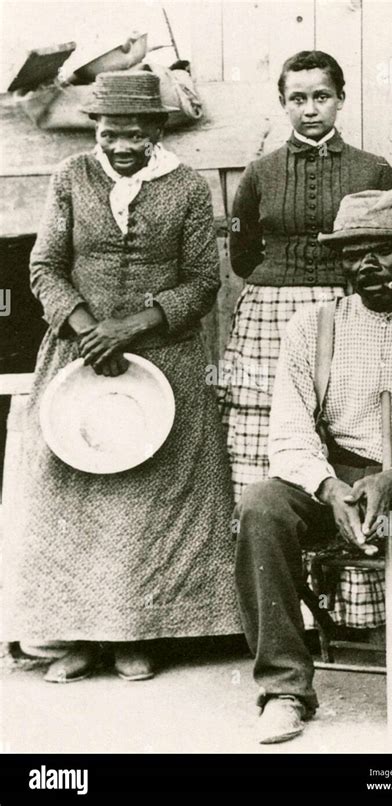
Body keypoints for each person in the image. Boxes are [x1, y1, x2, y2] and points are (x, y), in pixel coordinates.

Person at [3, 72, 240, 682]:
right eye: (110, 134)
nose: (121, 146)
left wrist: (129, 328)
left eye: (134, 134)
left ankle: (139, 634)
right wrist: (88, 330)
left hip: (163, 359)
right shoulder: (71, 179)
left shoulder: (185, 186)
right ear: (96, 131)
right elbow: (45, 267)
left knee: (147, 501)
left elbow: (202, 282)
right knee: (73, 493)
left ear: (157, 130)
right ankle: (78, 637)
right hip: (79, 359)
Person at [234, 189, 392, 745]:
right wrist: (326, 487)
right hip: (336, 494)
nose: (367, 265)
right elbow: (289, 437)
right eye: (352, 253)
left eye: (382, 250)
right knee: (260, 504)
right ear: (339, 262)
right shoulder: (309, 329)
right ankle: (285, 689)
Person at [219, 50, 392, 630]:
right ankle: (280, 606)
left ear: (341, 99)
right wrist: (285, 286)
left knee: (346, 437)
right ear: (283, 104)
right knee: (266, 447)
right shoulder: (260, 173)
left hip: (350, 311)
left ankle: (354, 607)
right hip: (271, 314)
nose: (310, 108)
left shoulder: (373, 170)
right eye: (297, 98)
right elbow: (244, 253)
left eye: (321, 96)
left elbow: (386, 247)